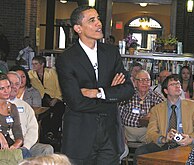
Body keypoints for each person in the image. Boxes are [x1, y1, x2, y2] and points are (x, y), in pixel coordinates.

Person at [55, 6, 134, 165]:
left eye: (98, 18)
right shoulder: (66, 59)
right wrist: (111, 96)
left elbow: (128, 90)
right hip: (80, 137)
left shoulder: (111, 53)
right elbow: (75, 101)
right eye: (92, 20)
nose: (99, 23)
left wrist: (98, 93)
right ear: (78, 28)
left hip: (110, 137)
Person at [134, 74, 194, 164]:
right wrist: (164, 139)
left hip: (186, 145)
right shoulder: (156, 109)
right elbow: (150, 133)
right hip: (164, 145)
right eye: (173, 84)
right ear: (166, 91)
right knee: (140, 152)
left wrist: (190, 139)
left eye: (178, 84)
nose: (177, 86)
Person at [7, 71, 54, 157]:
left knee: (46, 149)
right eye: (10, 83)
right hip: (7, 145)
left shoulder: (25, 106)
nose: (14, 87)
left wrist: (25, 147)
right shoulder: (2, 104)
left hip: (25, 145)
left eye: (17, 84)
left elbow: (33, 129)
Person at [119, 70, 164, 143]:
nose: (145, 83)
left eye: (147, 80)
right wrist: (120, 135)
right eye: (141, 80)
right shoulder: (127, 95)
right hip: (127, 132)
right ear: (135, 82)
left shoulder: (157, 98)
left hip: (147, 132)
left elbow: (163, 119)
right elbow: (118, 117)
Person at [28, 56, 65, 145]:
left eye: (36, 64)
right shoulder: (30, 74)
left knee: (60, 108)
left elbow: (59, 86)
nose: (33, 66)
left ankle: (52, 132)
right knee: (44, 112)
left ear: (42, 64)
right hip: (40, 97)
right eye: (32, 64)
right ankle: (45, 134)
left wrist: (56, 98)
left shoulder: (52, 72)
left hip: (53, 96)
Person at [0, 73, 23, 150]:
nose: (6, 91)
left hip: (8, 144)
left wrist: (15, 145)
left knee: (24, 152)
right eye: (2, 88)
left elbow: (18, 132)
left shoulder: (12, 107)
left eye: (8, 87)